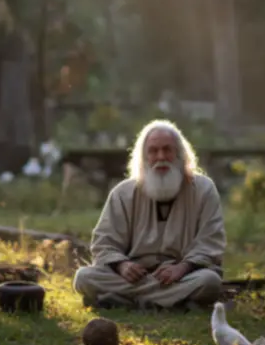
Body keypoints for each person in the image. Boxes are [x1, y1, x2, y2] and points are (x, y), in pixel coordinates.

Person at [73, 119, 226, 310]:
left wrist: (182, 268)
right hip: (133, 278)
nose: (161, 157)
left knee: (209, 281)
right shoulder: (123, 193)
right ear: (144, 157)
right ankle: (169, 302)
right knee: (83, 278)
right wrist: (123, 266)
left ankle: (125, 300)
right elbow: (104, 243)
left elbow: (210, 242)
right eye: (153, 151)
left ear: (179, 154)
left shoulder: (204, 189)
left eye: (167, 150)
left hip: (180, 276)